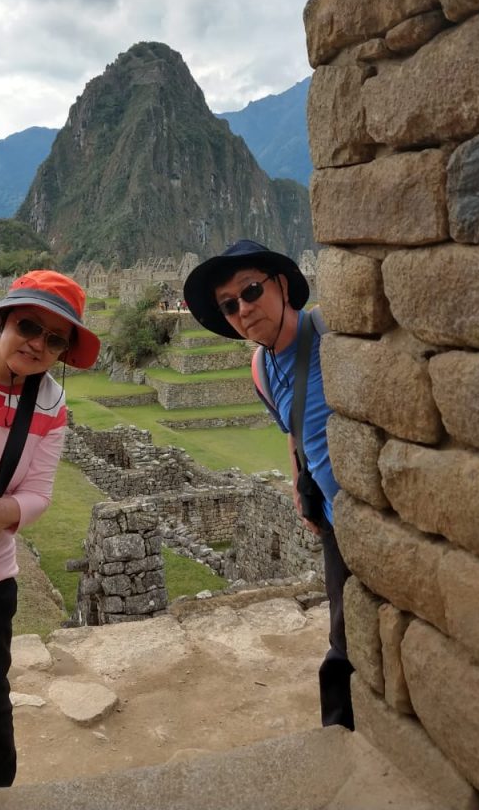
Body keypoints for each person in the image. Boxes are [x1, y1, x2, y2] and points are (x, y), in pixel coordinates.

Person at [183, 240, 353, 729]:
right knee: (344, 641)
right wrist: (302, 490)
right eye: (229, 305)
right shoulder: (260, 368)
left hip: (384, 517)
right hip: (337, 526)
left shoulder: (333, 333)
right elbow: (294, 431)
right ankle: (339, 739)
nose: (244, 309)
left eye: (251, 291)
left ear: (281, 284)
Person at [0, 270, 101, 789]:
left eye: (55, 339)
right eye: (29, 326)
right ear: (1, 321)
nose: (38, 344)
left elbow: (38, 496)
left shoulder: (51, 405)